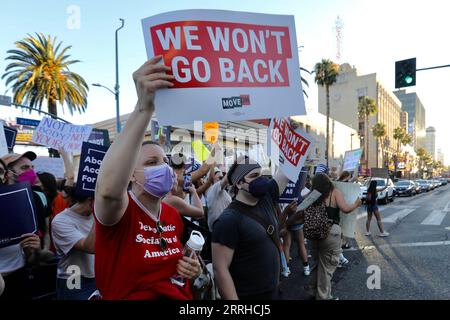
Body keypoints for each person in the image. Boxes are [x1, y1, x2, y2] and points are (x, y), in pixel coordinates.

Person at [94, 57, 201, 300]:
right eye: (151, 163)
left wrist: (191, 269)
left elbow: (174, 271)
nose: (163, 168)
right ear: (130, 174)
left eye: (164, 161)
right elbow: (108, 190)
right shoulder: (119, 213)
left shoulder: (172, 214)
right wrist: (144, 108)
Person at [212, 155, 289, 300]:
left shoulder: (266, 197)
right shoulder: (228, 220)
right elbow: (220, 270)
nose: (261, 180)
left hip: (274, 292)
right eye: (254, 176)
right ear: (239, 183)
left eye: (261, 174)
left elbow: (288, 169)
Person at [305, 173, 361, 300]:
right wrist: (356, 204)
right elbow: (345, 209)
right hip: (330, 232)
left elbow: (302, 209)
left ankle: (313, 291)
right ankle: (323, 296)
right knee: (327, 267)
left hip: (313, 233)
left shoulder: (312, 194)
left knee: (316, 263)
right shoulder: (335, 192)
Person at [51, 188, 95, 300]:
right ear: (91, 201)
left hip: (99, 277)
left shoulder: (93, 216)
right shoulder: (61, 221)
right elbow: (89, 247)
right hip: (74, 279)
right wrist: (100, 215)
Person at [206, 168, 231, 232]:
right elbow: (226, 179)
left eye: (222, 177)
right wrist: (236, 165)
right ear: (212, 178)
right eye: (220, 178)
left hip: (225, 228)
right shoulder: (213, 189)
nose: (222, 179)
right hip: (218, 230)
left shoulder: (223, 192)